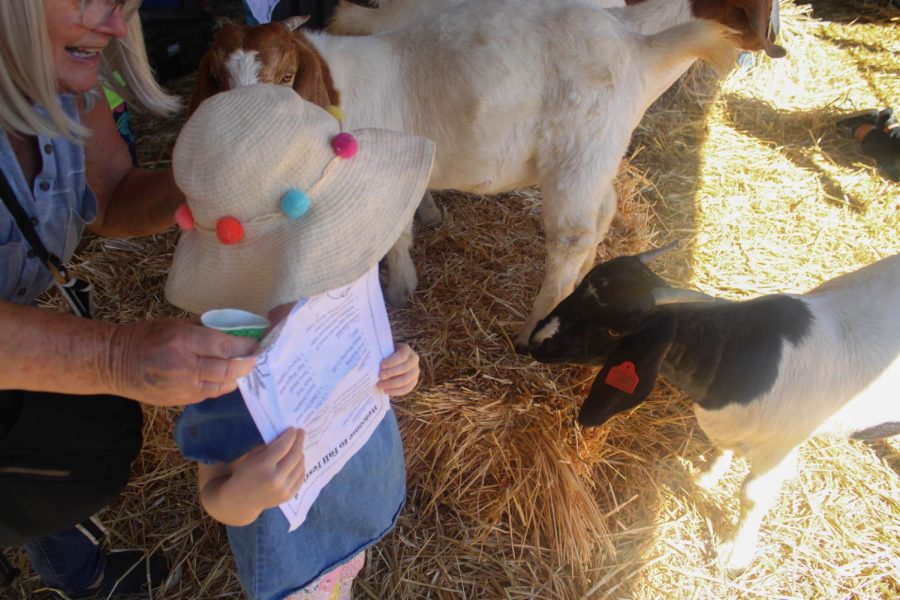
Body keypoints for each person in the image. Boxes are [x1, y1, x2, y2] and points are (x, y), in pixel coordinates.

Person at [0, 1, 259, 598]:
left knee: (53, 443)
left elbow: (112, 198)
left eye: (128, 6)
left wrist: (215, 180)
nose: (117, 26)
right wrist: (112, 356)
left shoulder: (70, 82)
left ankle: (79, 574)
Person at [165, 84, 435, 599]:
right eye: (331, 247)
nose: (341, 262)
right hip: (295, 535)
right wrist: (244, 495)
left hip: (353, 490)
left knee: (342, 575)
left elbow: (372, 357)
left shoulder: (344, 283)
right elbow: (215, 492)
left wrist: (402, 365)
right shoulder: (224, 359)